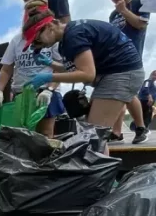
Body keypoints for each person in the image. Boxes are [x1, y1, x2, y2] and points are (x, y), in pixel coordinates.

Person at [23, 9, 148, 145]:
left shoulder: (73, 35)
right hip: (114, 74)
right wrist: (49, 63)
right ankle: (99, 163)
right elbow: (75, 68)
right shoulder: (65, 40)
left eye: (36, 39)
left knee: (93, 136)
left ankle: (99, 164)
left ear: (50, 26)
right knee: (93, 135)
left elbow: (88, 74)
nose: (36, 46)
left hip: (121, 72)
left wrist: (49, 77)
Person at [0, 0, 66, 138]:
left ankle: (45, 160)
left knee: (45, 134)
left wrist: (49, 90)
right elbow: (6, 68)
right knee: (24, 135)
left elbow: (61, 67)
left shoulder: (53, 37)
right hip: (22, 93)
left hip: (45, 92)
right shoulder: (17, 40)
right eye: (29, 13)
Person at [107, 0, 151, 142]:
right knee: (118, 94)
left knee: (128, 93)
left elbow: (141, 24)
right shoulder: (113, 15)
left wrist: (124, 10)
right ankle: (116, 132)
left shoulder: (139, 2)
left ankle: (141, 128)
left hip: (132, 58)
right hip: (115, 60)